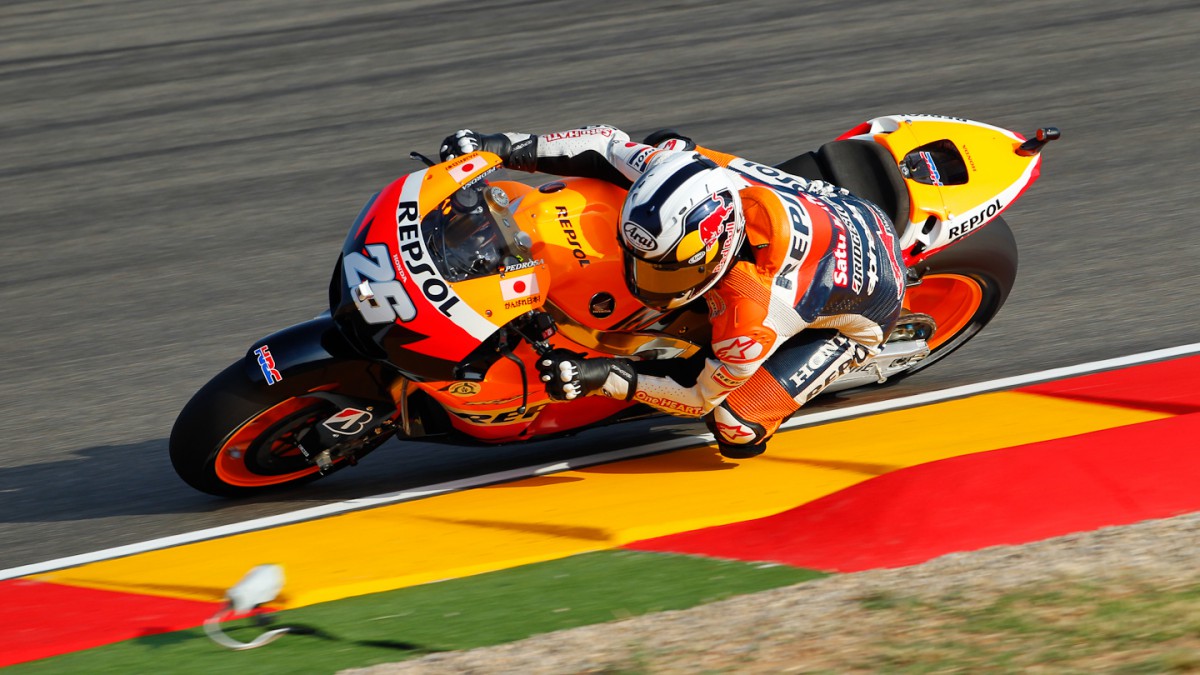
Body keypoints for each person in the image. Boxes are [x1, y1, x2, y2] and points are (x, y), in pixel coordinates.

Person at [439, 125, 907, 458]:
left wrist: (605, 376)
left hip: (870, 299)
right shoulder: (674, 170)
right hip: (830, 207)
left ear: (718, 251)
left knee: (735, 428)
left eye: (665, 271)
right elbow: (606, 144)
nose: (648, 283)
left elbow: (697, 397)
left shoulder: (756, 316)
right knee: (667, 141)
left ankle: (810, 371)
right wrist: (500, 148)